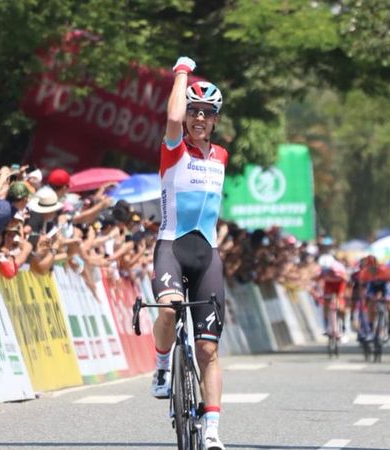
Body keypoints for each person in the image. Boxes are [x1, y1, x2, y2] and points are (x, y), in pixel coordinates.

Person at [149, 56, 227, 449]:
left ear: (215, 120)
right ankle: (162, 366)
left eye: (206, 114)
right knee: (167, 309)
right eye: (194, 112)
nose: (198, 119)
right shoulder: (173, 150)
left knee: (208, 348)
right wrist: (181, 73)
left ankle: (211, 431)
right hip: (171, 247)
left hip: (207, 254)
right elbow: (174, 118)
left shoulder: (222, 158)